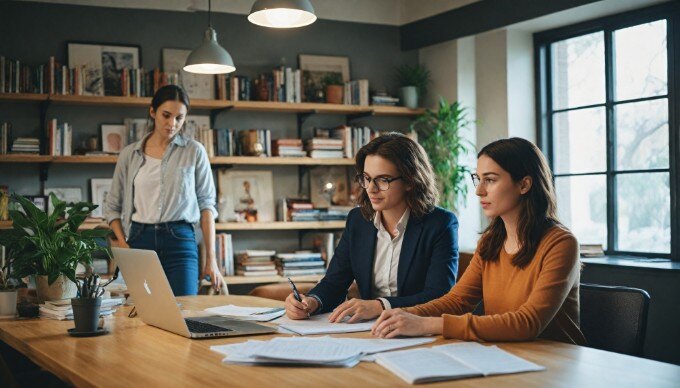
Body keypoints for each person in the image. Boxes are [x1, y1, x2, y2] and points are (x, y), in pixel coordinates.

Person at [371, 137, 587, 345]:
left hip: (557, 362)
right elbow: (456, 301)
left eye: (490, 180)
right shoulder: (490, 242)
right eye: (478, 179)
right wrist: (400, 315)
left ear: (524, 185)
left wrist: (426, 324)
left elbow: (527, 323)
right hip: (505, 354)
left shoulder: (561, 243)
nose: (478, 190)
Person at [285, 132, 459, 322]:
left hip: (417, 329)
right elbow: (335, 282)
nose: (371, 188)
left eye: (383, 180)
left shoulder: (441, 223)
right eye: (367, 178)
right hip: (369, 330)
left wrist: (381, 305)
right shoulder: (358, 221)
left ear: (410, 181)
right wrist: (311, 302)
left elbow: (438, 296)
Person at [105, 84, 224, 296]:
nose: (172, 124)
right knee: (140, 315)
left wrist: (212, 261)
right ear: (153, 112)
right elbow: (112, 206)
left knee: (185, 311)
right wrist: (123, 244)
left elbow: (207, 206)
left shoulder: (194, 151)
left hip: (180, 240)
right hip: (139, 241)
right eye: (166, 115)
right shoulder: (129, 155)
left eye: (179, 118)